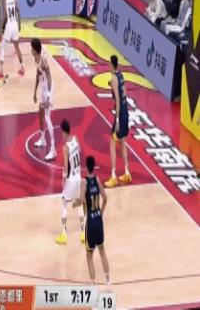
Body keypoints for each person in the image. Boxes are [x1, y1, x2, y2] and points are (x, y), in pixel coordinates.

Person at [73, 156, 111, 286]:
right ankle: (108, 280)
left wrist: (74, 204)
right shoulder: (97, 180)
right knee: (102, 251)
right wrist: (101, 212)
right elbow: (105, 198)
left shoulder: (84, 182)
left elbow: (81, 200)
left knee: (89, 256)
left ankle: (93, 283)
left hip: (90, 222)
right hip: (98, 219)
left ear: (86, 166)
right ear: (94, 166)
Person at [55, 119, 85, 245]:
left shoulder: (65, 147)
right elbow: (80, 151)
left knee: (63, 204)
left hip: (71, 179)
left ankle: (64, 233)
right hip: (78, 176)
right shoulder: (76, 139)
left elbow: (66, 167)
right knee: (79, 204)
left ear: (63, 132)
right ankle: (83, 233)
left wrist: (63, 179)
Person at [105, 55, 131, 188]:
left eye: (109, 64)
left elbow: (118, 100)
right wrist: (111, 84)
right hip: (126, 111)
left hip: (120, 114)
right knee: (122, 141)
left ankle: (113, 175)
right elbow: (123, 92)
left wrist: (117, 119)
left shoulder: (114, 79)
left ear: (111, 64)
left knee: (112, 140)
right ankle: (127, 173)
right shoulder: (120, 76)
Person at [31, 37, 56, 161]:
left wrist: (49, 96)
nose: (30, 50)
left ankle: (53, 149)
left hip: (48, 89)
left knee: (47, 117)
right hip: (42, 88)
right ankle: (43, 139)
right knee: (40, 114)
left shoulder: (43, 61)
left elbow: (50, 77)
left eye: (31, 48)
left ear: (35, 49)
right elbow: (37, 75)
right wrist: (35, 91)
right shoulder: (36, 59)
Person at [0, 0, 24, 78]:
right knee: (17, 47)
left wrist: (1, 27)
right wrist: (19, 24)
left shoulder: (5, 0)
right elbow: (18, 11)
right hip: (15, 24)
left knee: (3, 47)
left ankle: (1, 70)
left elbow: (5, 16)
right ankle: (22, 68)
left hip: (9, 26)